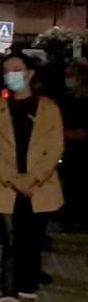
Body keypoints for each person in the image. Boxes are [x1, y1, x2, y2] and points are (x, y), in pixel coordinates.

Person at [0, 53, 64, 302]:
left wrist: (33, 179)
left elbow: (55, 148)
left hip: (40, 189)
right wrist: (13, 179)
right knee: (10, 245)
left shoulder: (49, 108)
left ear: (30, 74)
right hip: (4, 187)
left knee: (32, 245)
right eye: (7, 71)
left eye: (17, 70)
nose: (11, 75)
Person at [60, 60, 88, 230]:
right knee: (70, 186)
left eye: (72, 75)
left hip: (83, 152)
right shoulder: (68, 99)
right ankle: (70, 219)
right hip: (70, 152)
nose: (68, 78)